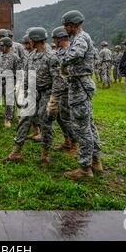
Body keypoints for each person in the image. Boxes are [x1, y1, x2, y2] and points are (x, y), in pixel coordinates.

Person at [6, 27, 60, 167]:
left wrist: (54, 99)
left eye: (30, 39)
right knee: (24, 119)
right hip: (32, 91)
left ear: (35, 39)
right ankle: (16, 151)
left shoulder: (51, 57)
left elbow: (57, 80)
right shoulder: (31, 55)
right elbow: (26, 74)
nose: (28, 41)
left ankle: (45, 154)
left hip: (47, 92)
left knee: (45, 121)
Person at [60, 10, 103, 180]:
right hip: (82, 84)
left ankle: (85, 168)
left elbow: (76, 54)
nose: (65, 28)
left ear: (74, 24)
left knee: (81, 127)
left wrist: (63, 62)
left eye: (66, 25)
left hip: (79, 85)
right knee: (89, 124)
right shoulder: (83, 37)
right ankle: (96, 161)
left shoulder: (80, 38)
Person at [51, 26, 78, 157]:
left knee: (66, 118)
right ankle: (67, 140)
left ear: (60, 38)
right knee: (60, 117)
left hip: (68, 90)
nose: (54, 41)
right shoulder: (60, 51)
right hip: (58, 89)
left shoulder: (69, 52)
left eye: (55, 38)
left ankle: (74, 144)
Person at [0, 37, 21, 129]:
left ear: (7, 46)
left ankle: (7, 119)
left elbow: (18, 71)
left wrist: (16, 84)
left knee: (9, 101)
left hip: (9, 82)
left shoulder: (15, 57)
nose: (0, 47)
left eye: (2, 46)